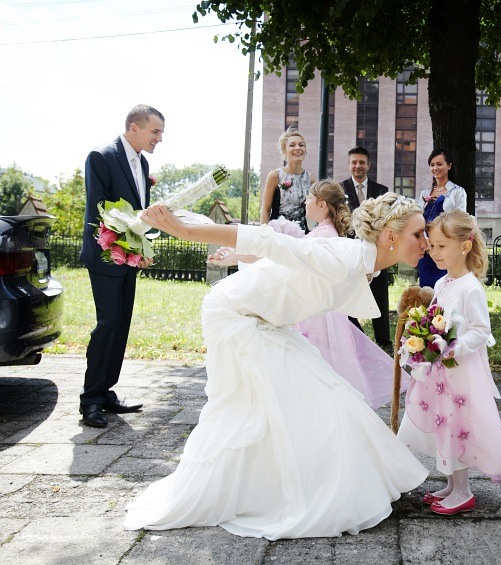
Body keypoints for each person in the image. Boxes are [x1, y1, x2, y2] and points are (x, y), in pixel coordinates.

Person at [126, 193, 429, 539]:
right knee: (245, 409)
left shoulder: (365, 263)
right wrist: (185, 231)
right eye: (418, 234)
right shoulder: (343, 257)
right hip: (235, 315)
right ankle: (239, 492)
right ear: (390, 236)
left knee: (329, 397)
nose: (425, 241)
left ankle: (308, 484)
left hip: (271, 322)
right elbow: (270, 241)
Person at [211, 180, 407, 409]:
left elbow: (288, 262)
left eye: (310, 198)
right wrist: (236, 257)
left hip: (314, 315)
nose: (305, 201)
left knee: (312, 368)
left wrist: (237, 257)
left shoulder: (324, 234)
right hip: (316, 310)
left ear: (322, 204)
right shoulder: (322, 231)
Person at [398, 210, 501, 516]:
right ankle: (452, 485)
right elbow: (434, 319)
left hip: (460, 372)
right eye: (433, 245)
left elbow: (481, 331)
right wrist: (420, 337)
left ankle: (464, 491)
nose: (434, 252)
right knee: (445, 424)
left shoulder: (470, 287)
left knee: (458, 425)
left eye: (442, 246)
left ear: (464, 246)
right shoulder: (442, 283)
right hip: (439, 372)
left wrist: (455, 347)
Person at [79, 104, 164, 428]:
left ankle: (106, 391)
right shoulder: (100, 157)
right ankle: (90, 401)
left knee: (121, 325)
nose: (159, 139)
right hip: (106, 256)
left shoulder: (142, 163)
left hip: (130, 257)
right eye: (155, 131)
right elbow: (100, 209)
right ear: (134, 128)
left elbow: (137, 210)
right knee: (108, 324)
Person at [341, 146, 392, 347]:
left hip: (377, 249)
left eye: (362, 162)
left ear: (368, 165)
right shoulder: (340, 189)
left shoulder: (382, 191)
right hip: (351, 250)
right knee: (349, 292)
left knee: (379, 293)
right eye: (354, 162)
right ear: (349, 165)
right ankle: (356, 338)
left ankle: (383, 339)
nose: (358, 166)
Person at [416, 148, 467, 288]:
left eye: (439, 164)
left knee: (446, 288)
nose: (435, 168)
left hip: (445, 250)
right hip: (426, 251)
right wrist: (425, 240)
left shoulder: (457, 192)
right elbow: (417, 220)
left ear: (449, 166)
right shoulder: (424, 193)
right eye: (432, 165)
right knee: (425, 290)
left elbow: (459, 221)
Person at [260, 127, 314, 231]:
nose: (298, 148)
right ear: (284, 151)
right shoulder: (275, 175)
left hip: (301, 234)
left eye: (301, 145)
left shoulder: (310, 179)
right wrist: (264, 233)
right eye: (292, 145)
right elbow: (265, 210)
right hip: (278, 233)